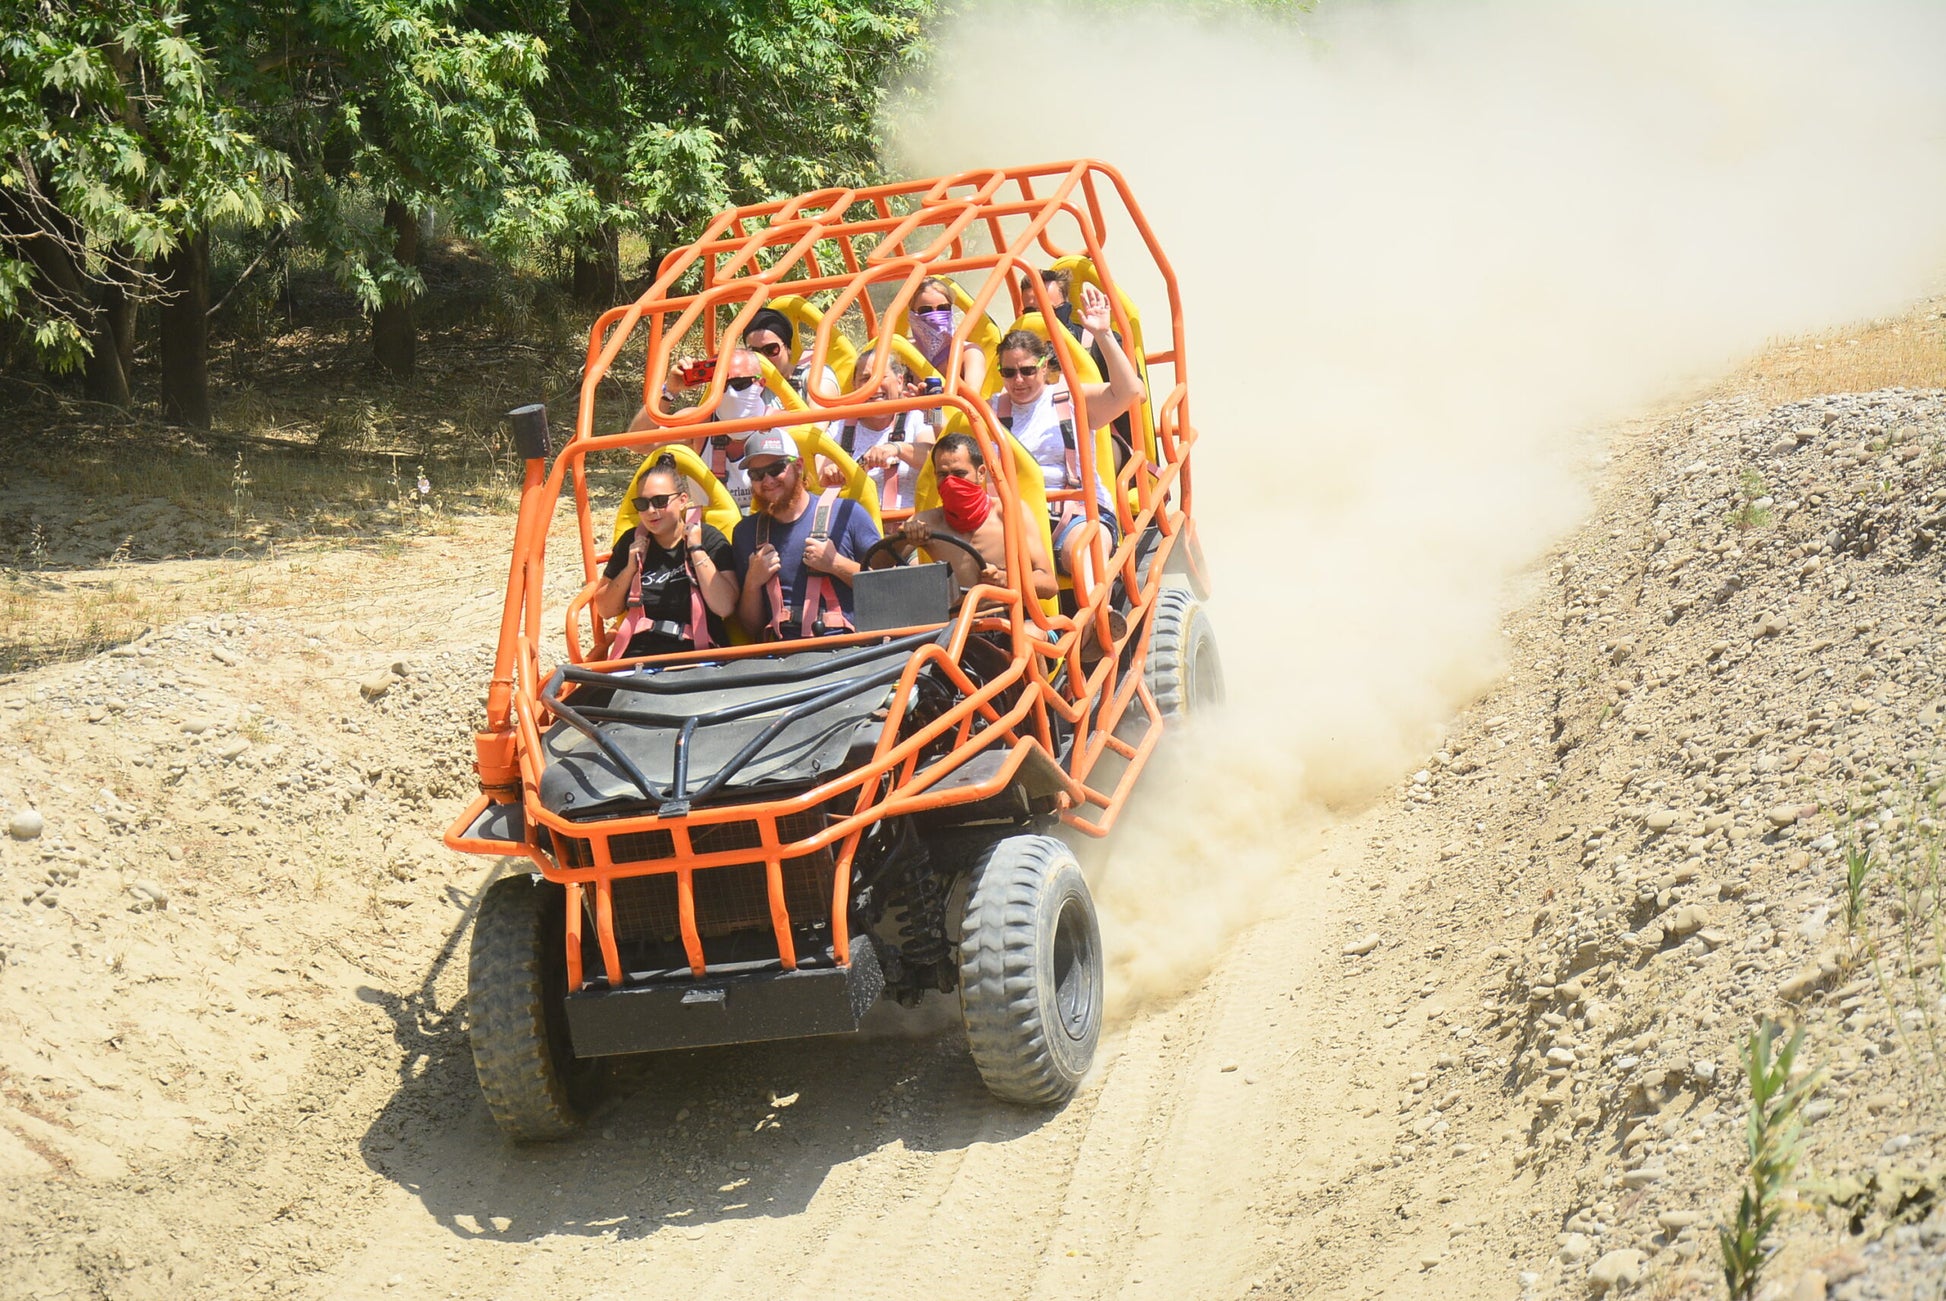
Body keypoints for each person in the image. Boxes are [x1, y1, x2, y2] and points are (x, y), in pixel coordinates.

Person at [990, 282, 1143, 569]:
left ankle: (1099, 600)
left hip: (1076, 513)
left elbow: (1129, 392)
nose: (1018, 380)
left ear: (1044, 366)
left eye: (1027, 370)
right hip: (1012, 521)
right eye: (1008, 372)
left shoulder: (1069, 397)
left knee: (1085, 554)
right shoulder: (990, 410)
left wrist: (1103, 334)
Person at [732, 430, 882, 639]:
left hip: (848, 647)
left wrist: (836, 564)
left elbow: (884, 590)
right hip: (785, 653)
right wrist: (752, 582)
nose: (767, 480)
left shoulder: (847, 513)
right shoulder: (746, 532)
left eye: (776, 469)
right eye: (756, 475)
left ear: (799, 466)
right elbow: (751, 628)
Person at [592, 456, 738, 658]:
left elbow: (725, 607)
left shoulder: (708, 538)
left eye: (660, 501)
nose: (651, 511)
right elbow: (605, 610)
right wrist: (629, 570)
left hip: (699, 654)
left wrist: (696, 550)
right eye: (642, 504)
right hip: (641, 657)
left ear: (683, 500)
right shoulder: (630, 542)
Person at [897, 433, 1056, 602]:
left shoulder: (1010, 513)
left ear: (981, 474)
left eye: (959, 474)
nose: (950, 483)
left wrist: (1005, 579)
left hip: (1010, 615)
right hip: (958, 618)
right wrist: (904, 538)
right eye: (943, 475)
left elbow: (1049, 584)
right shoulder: (927, 522)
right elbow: (879, 566)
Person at [626, 347, 769, 510]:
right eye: (722, 385)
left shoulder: (781, 424)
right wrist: (670, 391)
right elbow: (638, 443)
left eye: (740, 384)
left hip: (767, 523)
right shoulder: (699, 425)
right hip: (711, 525)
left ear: (761, 383)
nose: (731, 393)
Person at [822, 347, 934, 510]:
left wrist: (897, 449)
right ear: (855, 386)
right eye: (865, 379)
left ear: (900, 381)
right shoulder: (841, 425)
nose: (874, 386)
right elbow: (818, 474)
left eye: (881, 377)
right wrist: (832, 472)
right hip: (856, 520)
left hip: (907, 520)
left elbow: (934, 457)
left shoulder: (916, 416)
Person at [743, 307, 840, 409]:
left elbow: (820, 418)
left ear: (787, 348)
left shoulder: (815, 376)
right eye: (754, 351)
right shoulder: (747, 388)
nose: (762, 358)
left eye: (770, 349)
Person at [907, 276, 989, 397]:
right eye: (926, 310)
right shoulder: (905, 351)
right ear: (913, 314)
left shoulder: (968, 352)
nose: (936, 316)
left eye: (943, 308)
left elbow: (972, 398)